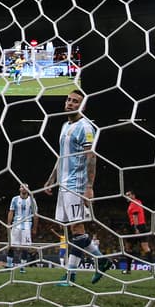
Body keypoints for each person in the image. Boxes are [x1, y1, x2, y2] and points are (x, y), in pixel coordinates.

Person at [44, 89, 107, 286]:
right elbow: (61, 156)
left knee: (77, 229)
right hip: (63, 185)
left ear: (83, 105)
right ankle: (102, 261)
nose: (70, 103)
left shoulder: (86, 127)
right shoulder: (65, 125)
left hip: (76, 185)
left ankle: (71, 275)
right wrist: (51, 179)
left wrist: (89, 186)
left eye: (75, 101)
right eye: (69, 100)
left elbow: (92, 157)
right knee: (72, 230)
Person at [6, 183, 36, 272]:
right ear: (19, 189)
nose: (23, 189)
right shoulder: (15, 199)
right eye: (22, 187)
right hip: (16, 225)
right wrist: (8, 224)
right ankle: (9, 265)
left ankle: (22, 267)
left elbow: (35, 215)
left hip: (27, 225)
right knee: (12, 245)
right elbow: (11, 211)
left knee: (25, 247)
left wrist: (35, 227)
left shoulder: (32, 200)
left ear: (28, 189)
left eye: (25, 187)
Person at [125, 190, 150, 266]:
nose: (127, 197)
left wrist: (136, 228)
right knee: (146, 248)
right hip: (142, 225)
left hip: (136, 226)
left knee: (128, 247)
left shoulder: (134, 204)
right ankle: (152, 269)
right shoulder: (138, 202)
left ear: (133, 195)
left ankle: (128, 269)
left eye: (128, 195)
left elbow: (135, 216)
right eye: (126, 195)